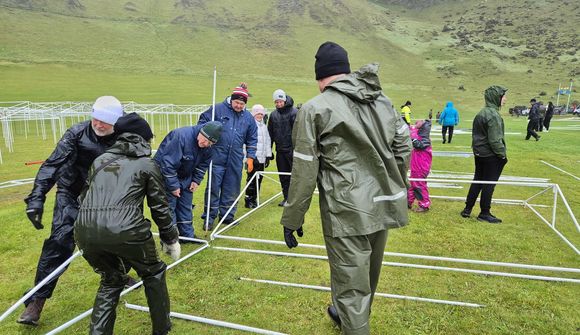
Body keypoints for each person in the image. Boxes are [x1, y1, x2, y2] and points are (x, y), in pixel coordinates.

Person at [280, 41, 411, 335]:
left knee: (352, 287)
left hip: (347, 210)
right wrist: (395, 181)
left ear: (320, 77)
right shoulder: (383, 101)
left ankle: (352, 321)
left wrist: (292, 218)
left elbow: (303, 170)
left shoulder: (315, 109)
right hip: (384, 202)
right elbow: (403, 144)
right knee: (368, 276)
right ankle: (347, 315)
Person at [19, 96, 124, 326]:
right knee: (59, 243)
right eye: (96, 118)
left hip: (101, 197)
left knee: (109, 238)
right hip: (70, 192)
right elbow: (52, 165)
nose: (98, 124)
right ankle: (37, 301)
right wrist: (36, 198)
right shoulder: (76, 134)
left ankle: (117, 275)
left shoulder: (124, 137)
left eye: (105, 122)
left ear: (116, 122)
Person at [75, 113, 179, 335]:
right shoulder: (147, 164)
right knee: (153, 273)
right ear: (143, 139)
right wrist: (170, 238)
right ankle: (162, 328)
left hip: (85, 230)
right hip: (126, 229)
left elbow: (82, 198)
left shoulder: (99, 161)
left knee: (111, 280)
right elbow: (159, 207)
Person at [197, 84, 257, 229]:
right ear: (232, 100)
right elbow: (202, 124)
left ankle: (227, 216)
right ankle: (209, 218)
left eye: (242, 104)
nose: (239, 106)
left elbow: (252, 137)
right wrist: (208, 136)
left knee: (232, 187)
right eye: (237, 102)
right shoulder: (217, 109)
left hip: (235, 157)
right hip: (216, 155)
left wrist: (250, 157)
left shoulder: (248, 117)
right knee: (213, 187)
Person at [153, 121, 223, 238]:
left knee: (185, 205)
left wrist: (196, 180)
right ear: (201, 132)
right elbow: (168, 164)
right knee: (169, 207)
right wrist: (173, 186)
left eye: (210, 143)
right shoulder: (181, 136)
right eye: (205, 139)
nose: (205, 144)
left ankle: (187, 235)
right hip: (165, 175)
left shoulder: (209, 147)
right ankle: (171, 238)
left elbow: (203, 165)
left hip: (186, 176)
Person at [460, 86, 509, 223]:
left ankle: (467, 209)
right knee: (489, 184)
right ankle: (484, 213)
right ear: (496, 97)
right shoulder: (493, 115)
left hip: (479, 153)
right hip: (491, 155)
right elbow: (495, 140)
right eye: (503, 96)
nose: (505, 99)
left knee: (478, 181)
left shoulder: (481, 113)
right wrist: (502, 155)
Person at [267, 89, 298, 206]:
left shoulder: (294, 113)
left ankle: (295, 199)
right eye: (276, 102)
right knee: (283, 176)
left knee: (295, 176)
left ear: (284, 100)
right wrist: (268, 151)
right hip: (280, 151)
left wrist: (297, 150)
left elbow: (298, 133)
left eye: (280, 101)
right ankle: (286, 198)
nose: (278, 104)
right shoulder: (273, 115)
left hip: (292, 151)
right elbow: (270, 134)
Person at [245, 104, 273, 209]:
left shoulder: (264, 126)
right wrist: (249, 157)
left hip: (261, 158)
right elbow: (246, 143)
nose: (259, 116)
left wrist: (268, 156)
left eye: (261, 114)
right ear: (253, 114)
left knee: (259, 179)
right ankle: (248, 199)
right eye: (257, 114)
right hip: (253, 158)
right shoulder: (250, 125)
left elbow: (267, 141)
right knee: (251, 179)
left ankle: (255, 198)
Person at [408, 119, 433, 212]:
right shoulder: (419, 134)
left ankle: (424, 204)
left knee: (419, 185)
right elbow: (411, 130)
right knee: (412, 184)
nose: (416, 122)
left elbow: (419, 145)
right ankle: (408, 201)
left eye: (419, 121)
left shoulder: (424, 139)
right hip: (416, 166)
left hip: (421, 167)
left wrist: (413, 139)